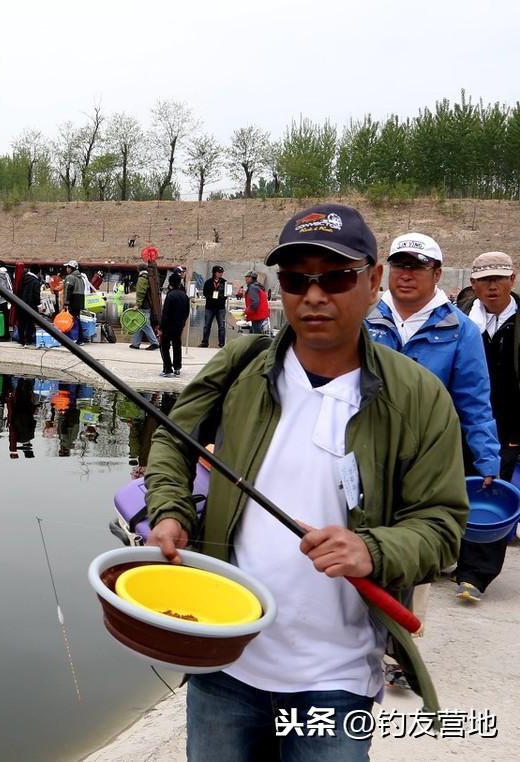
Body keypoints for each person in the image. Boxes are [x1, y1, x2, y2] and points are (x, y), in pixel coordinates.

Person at [145, 203, 468, 760]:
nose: (314, 296)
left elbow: (441, 525)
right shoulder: (242, 364)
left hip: (335, 681)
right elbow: (174, 439)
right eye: (297, 279)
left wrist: (371, 548)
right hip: (224, 662)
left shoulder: (418, 396)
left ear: (372, 283)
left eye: (337, 276)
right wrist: (170, 512)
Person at [365, 233, 500, 488]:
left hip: (427, 458)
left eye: (417, 266)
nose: (406, 274)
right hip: (366, 449)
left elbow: (474, 400)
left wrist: (487, 459)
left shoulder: (461, 330)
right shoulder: (363, 319)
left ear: (437, 274)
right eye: (400, 265)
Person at [453, 251, 520, 602]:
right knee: (450, 491)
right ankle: (449, 555)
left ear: (513, 279)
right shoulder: (456, 322)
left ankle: (475, 575)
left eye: (499, 278)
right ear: (473, 284)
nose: (492, 286)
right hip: (457, 423)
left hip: (507, 430)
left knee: (491, 493)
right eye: (484, 280)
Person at [158, 272, 189, 377]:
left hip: (168, 326)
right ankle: (177, 367)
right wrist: (183, 323)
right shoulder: (184, 295)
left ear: (170, 283)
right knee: (177, 346)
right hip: (179, 325)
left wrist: (161, 327)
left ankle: (167, 368)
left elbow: (166, 313)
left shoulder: (170, 295)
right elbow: (187, 311)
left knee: (164, 346)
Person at [128, 263, 160, 350]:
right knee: (140, 323)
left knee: (145, 323)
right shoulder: (149, 277)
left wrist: (137, 304)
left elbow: (141, 292)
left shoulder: (142, 278)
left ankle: (154, 343)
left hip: (144, 305)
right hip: (148, 304)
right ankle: (136, 343)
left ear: (138, 269)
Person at [62, 260, 90, 346]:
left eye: (68, 267)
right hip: (79, 302)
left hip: (73, 302)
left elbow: (68, 290)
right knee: (76, 320)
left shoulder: (70, 277)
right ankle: (80, 339)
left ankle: (73, 339)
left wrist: (66, 303)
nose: (66, 269)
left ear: (71, 268)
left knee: (71, 321)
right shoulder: (81, 277)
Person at [199, 265, 227, 348]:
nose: (220, 274)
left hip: (220, 307)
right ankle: (205, 342)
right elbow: (205, 293)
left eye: (221, 273)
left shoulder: (224, 282)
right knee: (207, 325)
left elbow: (226, 294)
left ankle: (221, 343)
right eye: (219, 272)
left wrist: (220, 297)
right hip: (210, 307)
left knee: (221, 326)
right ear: (214, 273)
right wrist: (211, 296)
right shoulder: (208, 282)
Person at [17, 266, 43, 347]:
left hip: (20, 304)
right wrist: (39, 304)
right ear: (38, 272)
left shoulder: (22, 278)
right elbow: (36, 295)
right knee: (30, 323)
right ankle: (28, 340)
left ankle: (21, 340)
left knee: (21, 323)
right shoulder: (35, 281)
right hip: (31, 305)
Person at [243, 270, 270, 334]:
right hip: (261, 314)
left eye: (247, 277)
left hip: (257, 315)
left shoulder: (253, 287)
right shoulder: (258, 286)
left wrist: (246, 311)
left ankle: (260, 344)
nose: (245, 279)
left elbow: (255, 302)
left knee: (256, 335)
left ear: (251, 278)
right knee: (256, 333)